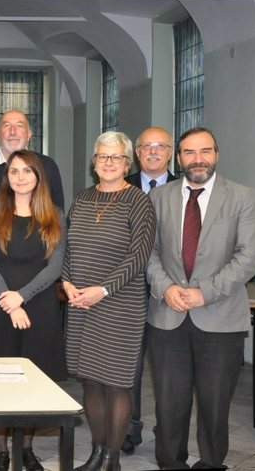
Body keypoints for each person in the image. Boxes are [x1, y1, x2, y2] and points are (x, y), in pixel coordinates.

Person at [146, 127, 255, 470]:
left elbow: (249, 256)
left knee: (215, 405)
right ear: (178, 157)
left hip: (221, 317)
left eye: (205, 151)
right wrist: (166, 287)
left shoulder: (242, 196)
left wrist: (205, 292)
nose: (198, 159)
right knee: (169, 403)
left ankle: (212, 464)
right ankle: (171, 463)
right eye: (189, 153)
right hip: (168, 316)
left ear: (216, 155)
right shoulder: (159, 198)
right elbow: (148, 254)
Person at [62, 131, 156, 471]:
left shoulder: (139, 201)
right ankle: (97, 453)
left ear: (128, 163)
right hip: (81, 304)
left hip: (120, 305)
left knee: (116, 384)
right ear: (93, 162)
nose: (108, 163)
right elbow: (68, 246)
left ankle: (112, 459)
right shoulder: (82, 198)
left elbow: (139, 255)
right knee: (90, 380)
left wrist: (102, 290)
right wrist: (68, 282)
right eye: (102, 156)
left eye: (116, 157)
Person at [0, 150, 67, 471]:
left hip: (39, 306)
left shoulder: (54, 213)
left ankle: (26, 448)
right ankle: (1, 451)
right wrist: (8, 300)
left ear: (38, 176)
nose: (21, 177)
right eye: (14, 172)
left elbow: (54, 267)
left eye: (27, 171)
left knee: (34, 381)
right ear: (7, 178)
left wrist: (21, 297)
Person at [121, 127, 177, 456]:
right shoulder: (119, 186)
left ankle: (168, 434)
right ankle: (128, 429)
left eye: (160, 146)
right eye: (146, 146)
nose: (153, 151)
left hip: (170, 294)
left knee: (170, 370)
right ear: (137, 154)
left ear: (170, 152)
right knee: (129, 367)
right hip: (126, 293)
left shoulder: (188, 187)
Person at [0, 110, 64, 209]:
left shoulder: (47, 165)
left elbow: (57, 211)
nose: (13, 132)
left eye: (19, 126)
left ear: (28, 135)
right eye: (7, 126)